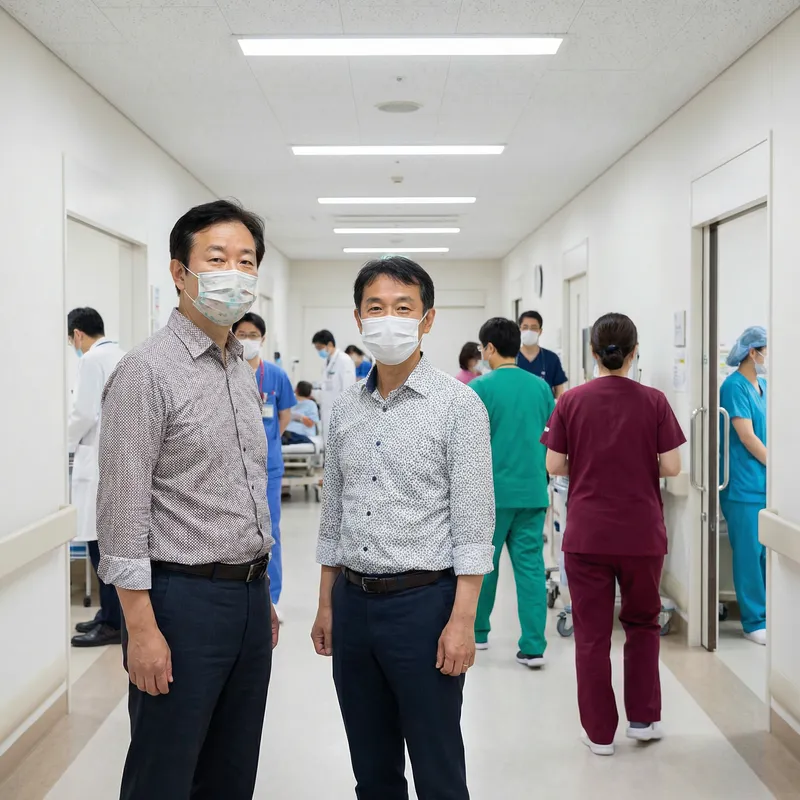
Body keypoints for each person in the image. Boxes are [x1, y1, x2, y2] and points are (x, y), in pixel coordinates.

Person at [97, 200, 279, 800]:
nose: (235, 272)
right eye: (218, 258)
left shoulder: (239, 367)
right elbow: (122, 511)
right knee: (165, 772)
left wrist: (263, 597)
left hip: (248, 599)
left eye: (246, 260)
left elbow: (244, 488)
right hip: (180, 603)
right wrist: (141, 630)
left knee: (231, 770)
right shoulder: (145, 372)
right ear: (180, 273)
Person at [311, 255, 495, 800]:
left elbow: (473, 522)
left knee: (438, 765)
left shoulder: (458, 405)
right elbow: (333, 514)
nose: (388, 318)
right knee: (371, 769)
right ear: (358, 318)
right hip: (353, 604)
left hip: (424, 606)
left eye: (403, 307)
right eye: (376, 308)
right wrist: (326, 604)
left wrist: (463, 621)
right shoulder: (345, 409)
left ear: (427, 319)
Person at [542, 312, 684, 756]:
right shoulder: (655, 400)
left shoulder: (571, 402)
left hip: (587, 536)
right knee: (642, 624)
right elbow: (673, 467)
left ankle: (600, 734)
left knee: (592, 633)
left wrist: (588, 466)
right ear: (634, 351)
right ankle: (643, 719)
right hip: (642, 535)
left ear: (593, 352)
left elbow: (553, 465)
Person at [470, 318, 555, 667]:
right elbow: (550, 437)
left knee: (484, 566)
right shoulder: (541, 388)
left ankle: (478, 633)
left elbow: (469, 446)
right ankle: (533, 645)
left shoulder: (480, 388)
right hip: (533, 491)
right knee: (531, 567)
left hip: (492, 494)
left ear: (489, 348)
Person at [67, 307, 125, 648]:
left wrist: (61, 441)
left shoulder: (91, 360)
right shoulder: (120, 355)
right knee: (108, 546)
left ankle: (112, 622)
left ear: (77, 334)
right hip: (114, 462)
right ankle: (108, 616)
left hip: (96, 464)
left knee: (99, 549)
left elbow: (83, 413)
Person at [233, 311, 296, 615]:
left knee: (270, 532)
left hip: (268, 466)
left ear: (262, 338)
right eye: (241, 334)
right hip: (231, 467)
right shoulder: (226, 371)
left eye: (252, 335)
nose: (247, 340)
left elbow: (284, 415)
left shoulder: (275, 376)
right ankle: (240, 597)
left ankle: (272, 597)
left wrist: (266, 442)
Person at [719, 326, 768, 646]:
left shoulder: (762, 385)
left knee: (765, 552)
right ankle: (753, 620)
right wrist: (775, 465)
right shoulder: (734, 386)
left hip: (764, 482)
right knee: (749, 552)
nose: (767, 357)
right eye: (765, 350)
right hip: (742, 484)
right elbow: (747, 436)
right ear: (753, 352)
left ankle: (769, 614)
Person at [312, 329, 356, 439]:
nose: (319, 351)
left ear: (329, 344)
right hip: (327, 412)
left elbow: (348, 390)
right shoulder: (327, 362)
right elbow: (326, 387)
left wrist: (344, 419)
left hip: (340, 416)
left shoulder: (344, 360)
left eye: (320, 348)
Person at [516, 310, 568, 398]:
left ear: (540, 331)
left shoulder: (551, 358)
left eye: (534, 328)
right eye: (525, 327)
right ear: (519, 329)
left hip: (545, 410)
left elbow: (559, 391)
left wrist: (557, 409)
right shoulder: (511, 357)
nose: (529, 331)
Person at [282, 380, 320, 446]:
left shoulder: (311, 404)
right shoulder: (289, 401)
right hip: (286, 433)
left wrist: (300, 417)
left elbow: (310, 424)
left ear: (296, 389)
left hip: (302, 435)